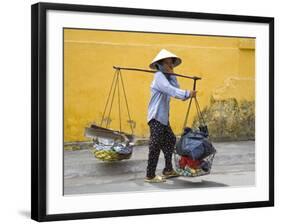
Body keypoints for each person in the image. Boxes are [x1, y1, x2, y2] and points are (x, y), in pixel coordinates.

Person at [145, 49, 197, 183]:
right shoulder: (158, 76)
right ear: (159, 65)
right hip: (156, 117)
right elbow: (171, 90)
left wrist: (173, 74)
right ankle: (150, 175)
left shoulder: (167, 77)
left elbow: (175, 86)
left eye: (171, 64)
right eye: (167, 64)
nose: (169, 66)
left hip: (163, 118)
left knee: (170, 140)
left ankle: (168, 170)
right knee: (155, 145)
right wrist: (187, 93)